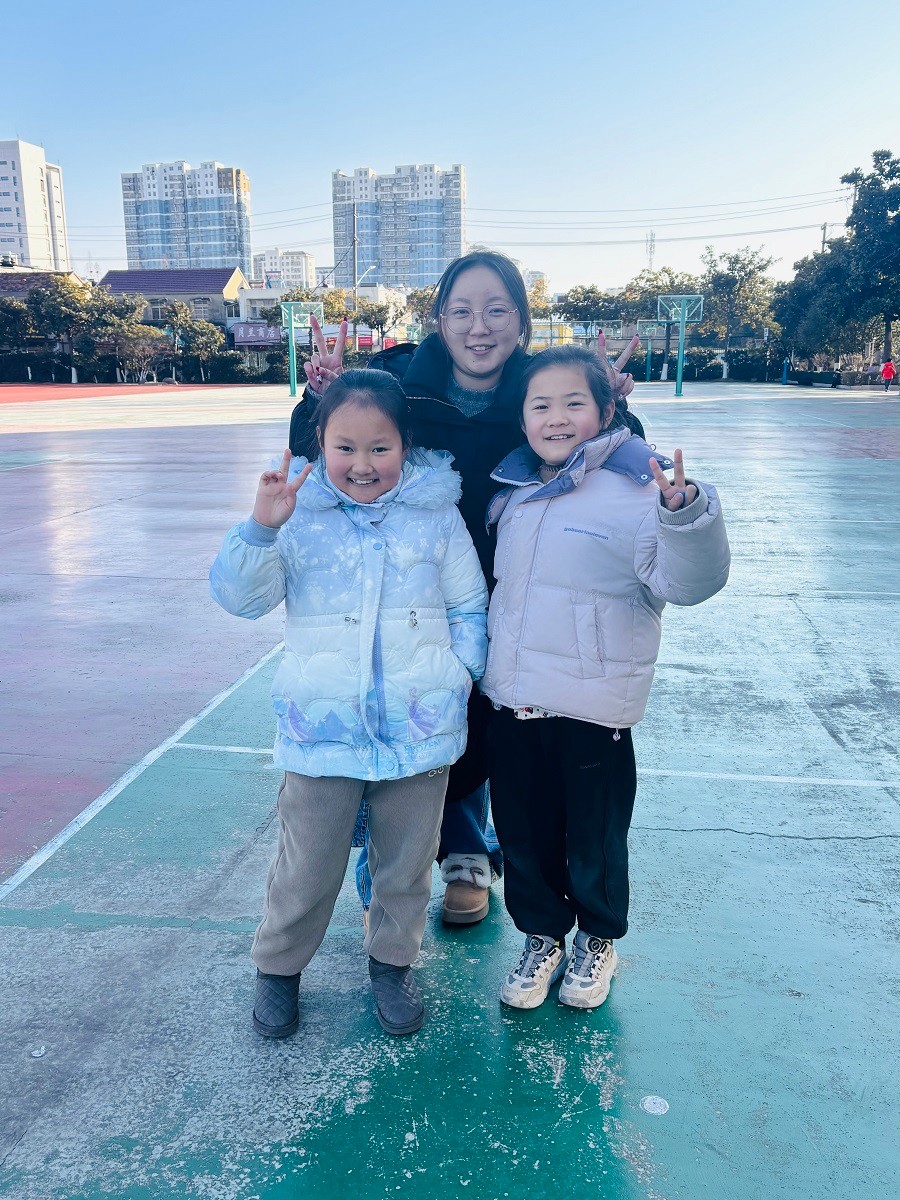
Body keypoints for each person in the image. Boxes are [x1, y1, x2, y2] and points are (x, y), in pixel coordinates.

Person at [289, 251, 638, 925]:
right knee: (408, 711)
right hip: (411, 588)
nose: (480, 327)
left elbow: (610, 459)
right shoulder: (397, 379)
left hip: (517, 589)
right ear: (439, 319)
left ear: (522, 320)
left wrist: (609, 407)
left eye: (497, 310)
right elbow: (326, 447)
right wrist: (318, 396)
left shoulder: (545, 385)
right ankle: (390, 861)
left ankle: (467, 852)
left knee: (482, 724)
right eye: (462, 311)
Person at [210, 370, 487, 1037]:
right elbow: (241, 601)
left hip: (419, 728)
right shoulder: (296, 512)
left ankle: (392, 965)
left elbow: (469, 605)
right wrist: (260, 528)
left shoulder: (436, 515)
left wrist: (456, 677)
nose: (363, 464)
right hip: (322, 729)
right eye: (345, 447)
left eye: (380, 448)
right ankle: (278, 969)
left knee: (405, 866)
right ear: (321, 443)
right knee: (306, 865)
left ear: (405, 445)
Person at [480, 346, 730, 1010]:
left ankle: (597, 939)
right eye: (540, 405)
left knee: (593, 837)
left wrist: (686, 516)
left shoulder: (639, 491)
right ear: (522, 418)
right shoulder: (515, 493)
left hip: (595, 712)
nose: (556, 417)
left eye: (574, 403)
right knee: (523, 835)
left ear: (606, 410)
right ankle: (541, 936)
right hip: (515, 703)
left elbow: (688, 583)